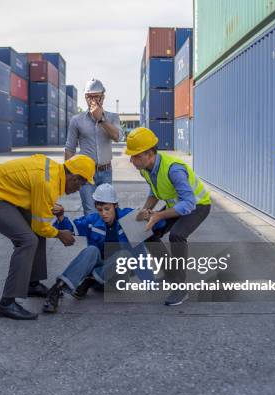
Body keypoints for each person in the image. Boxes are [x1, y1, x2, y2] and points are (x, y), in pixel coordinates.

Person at [0, 154, 95, 320]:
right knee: (27, 240)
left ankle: (32, 283)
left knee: (35, 232)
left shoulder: (54, 171)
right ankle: (6, 303)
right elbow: (41, 226)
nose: (79, 189)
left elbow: (36, 201)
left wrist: (45, 206)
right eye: (81, 183)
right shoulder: (48, 183)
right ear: (74, 178)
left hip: (5, 192)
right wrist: (59, 234)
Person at [43, 183, 165, 313]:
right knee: (91, 251)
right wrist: (60, 216)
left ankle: (90, 280)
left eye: (107, 209)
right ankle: (57, 289)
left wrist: (148, 216)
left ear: (116, 206)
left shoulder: (129, 217)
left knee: (125, 255)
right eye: (100, 209)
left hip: (118, 275)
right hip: (100, 266)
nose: (103, 213)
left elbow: (160, 224)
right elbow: (70, 227)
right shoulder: (93, 220)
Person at [124, 127, 212, 306]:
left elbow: (188, 204)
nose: (131, 160)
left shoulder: (174, 169)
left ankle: (181, 287)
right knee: (145, 232)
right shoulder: (146, 169)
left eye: (136, 156)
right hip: (175, 205)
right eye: (131, 156)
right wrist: (146, 211)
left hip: (198, 205)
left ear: (150, 154)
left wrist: (158, 215)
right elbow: (155, 191)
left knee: (177, 235)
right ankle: (171, 273)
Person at [65, 78, 124, 215]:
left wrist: (101, 119)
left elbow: (118, 137)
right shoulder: (76, 120)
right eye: (89, 97)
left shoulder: (113, 117)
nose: (93, 100)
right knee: (90, 211)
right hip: (85, 174)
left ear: (103, 97)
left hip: (106, 171)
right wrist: (68, 175)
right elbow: (70, 148)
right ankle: (93, 236)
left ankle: (106, 236)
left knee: (107, 212)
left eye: (96, 96)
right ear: (85, 98)